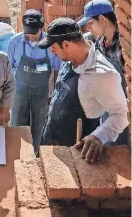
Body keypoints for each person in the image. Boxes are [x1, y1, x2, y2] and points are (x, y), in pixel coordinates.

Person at [38, 18, 128, 163]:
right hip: (51, 141)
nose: (51, 51)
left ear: (66, 44)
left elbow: (122, 114)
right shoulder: (71, 57)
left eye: (53, 47)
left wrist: (100, 136)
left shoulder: (102, 75)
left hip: (75, 155)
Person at [6, 10, 62, 154]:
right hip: (19, 91)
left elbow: (57, 70)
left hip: (42, 92)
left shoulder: (51, 45)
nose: (30, 38)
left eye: (34, 35)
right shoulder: (14, 42)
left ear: (42, 28)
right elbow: (7, 70)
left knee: (39, 125)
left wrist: (54, 93)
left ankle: (36, 153)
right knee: (17, 123)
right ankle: (16, 153)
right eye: (27, 34)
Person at [78, 0, 129, 146]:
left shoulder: (123, 47)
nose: (88, 29)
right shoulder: (100, 43)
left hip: (124, 112)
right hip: (107, 108)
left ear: (102, 19)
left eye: (90, 24)